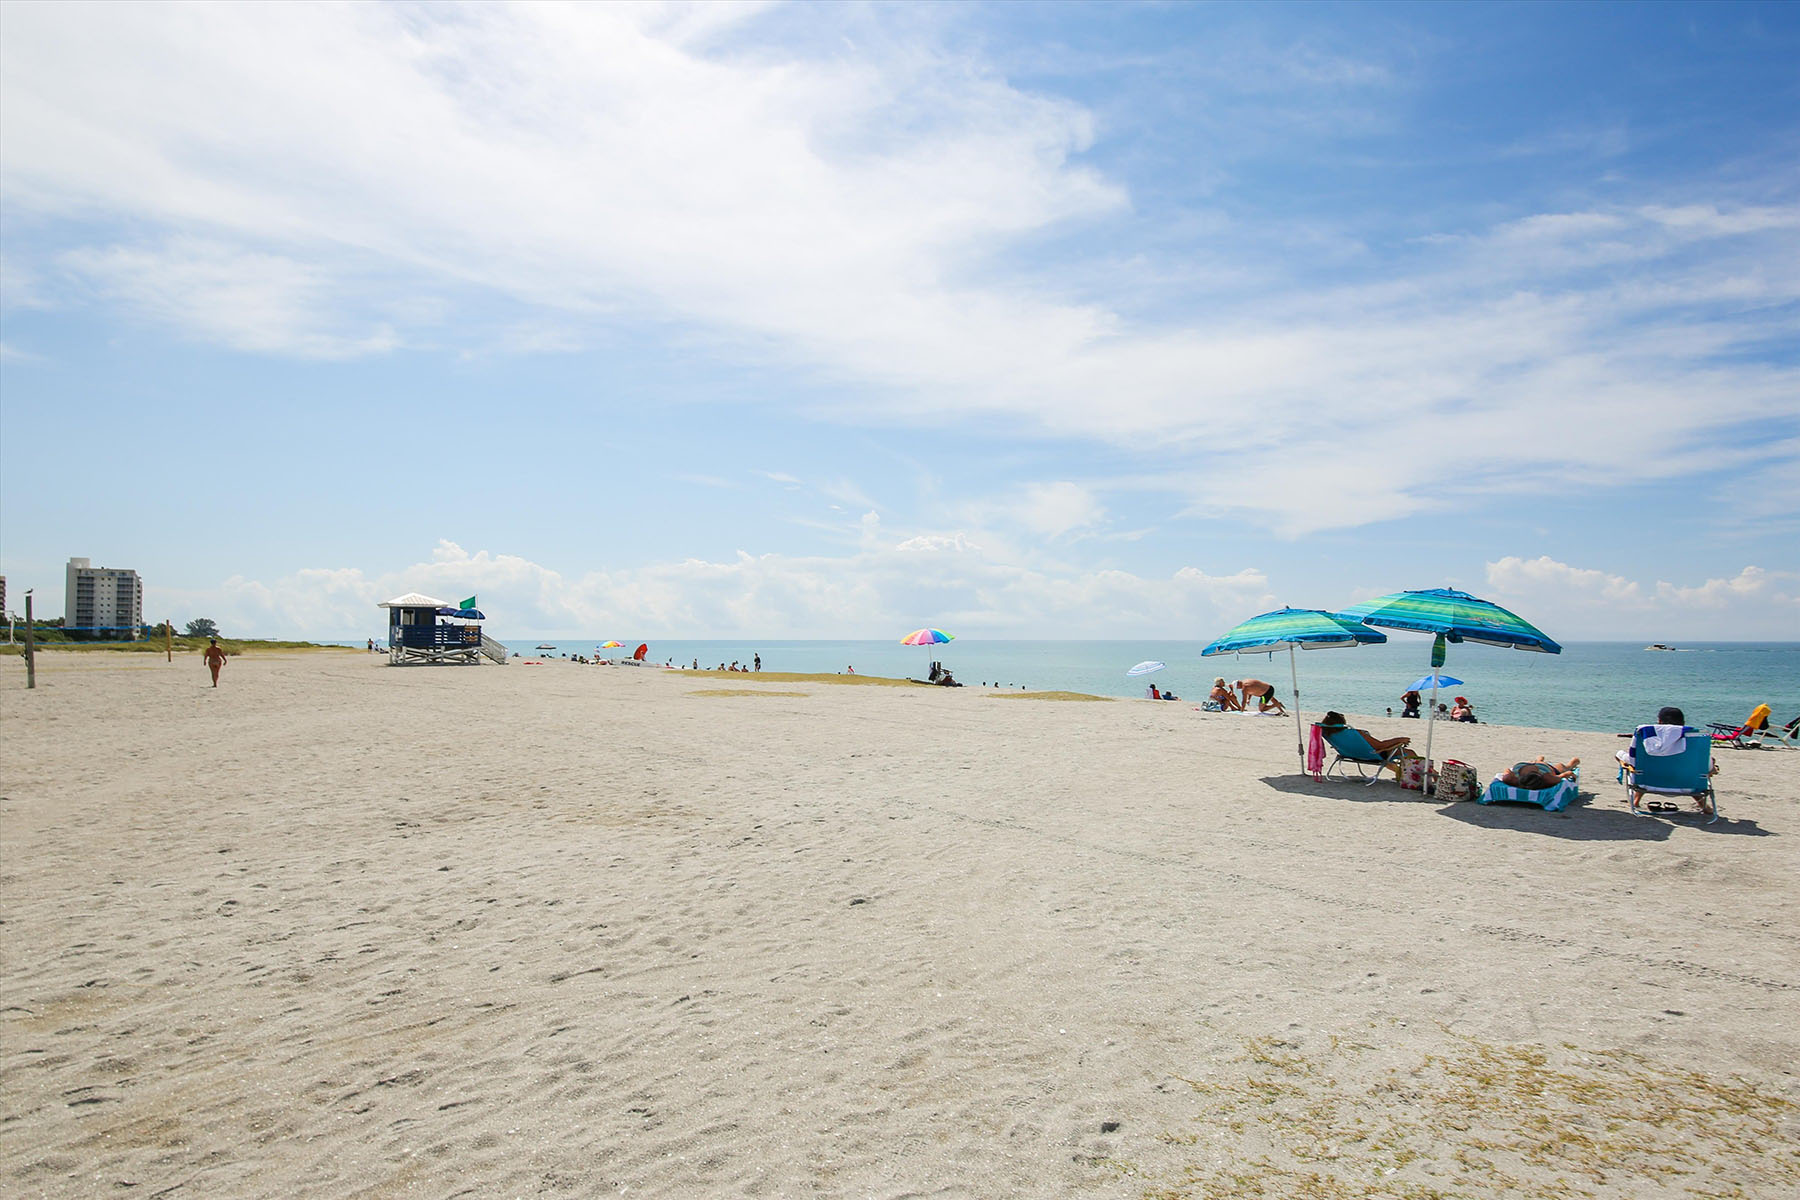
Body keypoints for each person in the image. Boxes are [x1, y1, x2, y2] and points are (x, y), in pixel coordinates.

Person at [1317, 712, 1410, 754]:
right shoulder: (1356, 733)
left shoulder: (1327, 733)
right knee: (1409, 753)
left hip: (1348, 753)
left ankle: (1399, 773)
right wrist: (1400, 739)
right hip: (1370, 754)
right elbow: (1380, 746)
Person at [1500, 756, 1580, 789]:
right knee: (1560, 768)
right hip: (1531, 767)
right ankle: (1539, 760)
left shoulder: (1511, 779)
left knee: (1561, 768)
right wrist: (1572, 775)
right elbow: (1565, 775)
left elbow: (1507, 770)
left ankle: (1539, 760)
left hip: (1523, 766)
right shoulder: (1548, 779)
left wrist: (1571, 774)